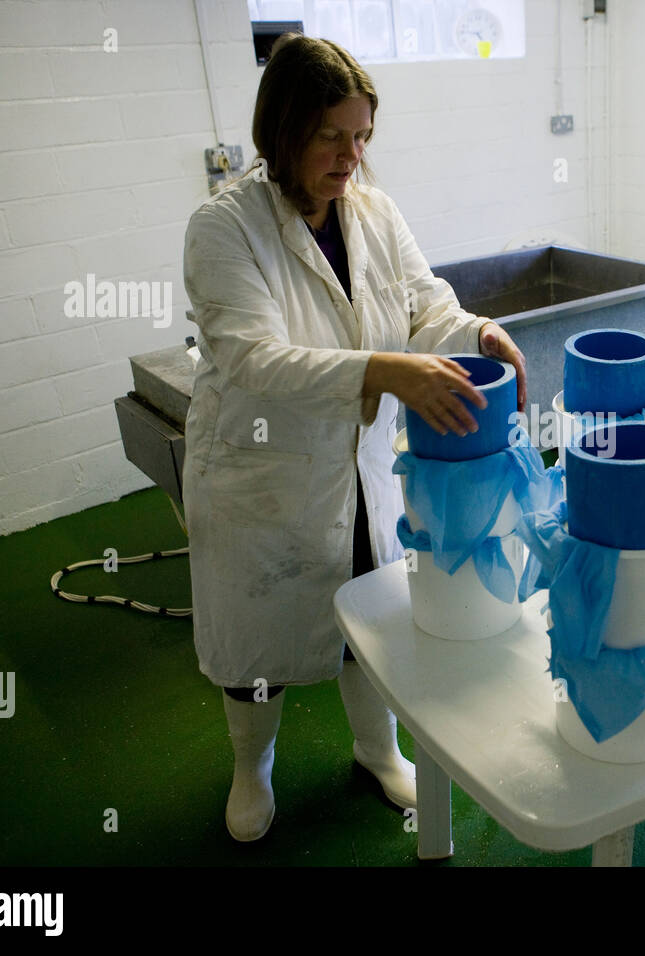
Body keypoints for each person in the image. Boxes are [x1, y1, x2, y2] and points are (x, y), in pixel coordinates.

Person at [181, 33, 527, 842]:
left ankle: (378, 749)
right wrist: (384, 371)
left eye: (362, 135)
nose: (351, 155)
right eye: (331, 136)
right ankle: (251, 766)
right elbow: (250, 355)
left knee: (369, 607)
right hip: (261, 471)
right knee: (257, 636)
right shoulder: (224, 228)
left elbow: (424, 303)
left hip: (358, 467)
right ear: (284, 131)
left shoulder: (373, 210)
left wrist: (475, 332)